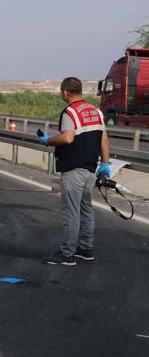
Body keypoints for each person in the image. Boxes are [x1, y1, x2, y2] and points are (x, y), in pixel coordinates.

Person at [38, 77, 110, 265]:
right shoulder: (96, 111)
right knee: (86, 209)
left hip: (73, 168)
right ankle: (86, 249)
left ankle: (67, 253)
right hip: (91, 169)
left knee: (71, 211)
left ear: (65, 93)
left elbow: (68, 138)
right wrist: (106, 164)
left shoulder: (70, 111)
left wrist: (48, 140)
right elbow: (104, 139)